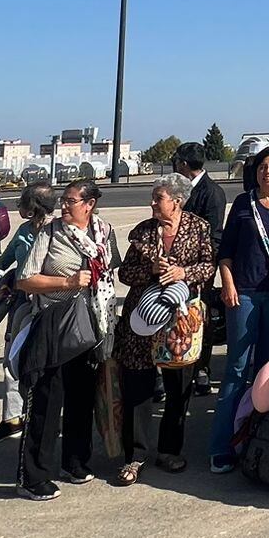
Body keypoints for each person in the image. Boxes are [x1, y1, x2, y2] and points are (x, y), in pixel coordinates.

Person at [12, 179, 121, 499]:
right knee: (46, 400)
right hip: (55, 323)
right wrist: (68, 281)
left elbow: (110, 272)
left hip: (92, 324)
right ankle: (32, 476)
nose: (63, 206)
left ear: (89, 205)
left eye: (71, 201)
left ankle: (74, 461)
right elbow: (25, 280)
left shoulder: (104, 232)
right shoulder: (50, 232)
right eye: (63, 200)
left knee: (81, 396)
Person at [109, 173, 216, 483]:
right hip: (142, 318)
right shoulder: (143, 231)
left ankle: (169, 450)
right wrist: (149, 269)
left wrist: (183, 273)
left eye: (159, 198)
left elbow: (208, 266)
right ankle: (135, 455)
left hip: (179, 320)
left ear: (177, 201)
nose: (153, 203)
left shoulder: (198, 227)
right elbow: (125, 273)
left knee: (178, 387)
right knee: (137, 387)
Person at [208, 146, 269, 473]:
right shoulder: (243, 204)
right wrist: (228, 283)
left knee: (265, 369)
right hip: (244, 294)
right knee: (236, 368)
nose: (268, 172)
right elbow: (225, 250)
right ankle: (222, 445)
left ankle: (253, 437)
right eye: (263, 166)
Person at [0, 179, 58, 446]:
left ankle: (46, 420)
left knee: (49, 365)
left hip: (52, 306)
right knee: (12, 361)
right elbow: (4, 261)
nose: (18, 207)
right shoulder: (24, 231)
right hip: (23, 304)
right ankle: (12, 418)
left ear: (33, 207)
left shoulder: (59, 231)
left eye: (23, 202)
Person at [174, 142, 229, 395]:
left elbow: (214, 234)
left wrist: (202, 266)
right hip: (175, 266)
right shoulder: (178, 188)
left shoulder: (212, 192)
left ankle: (201, 367)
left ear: (184, 164)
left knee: (200, 314)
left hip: (200, 266)